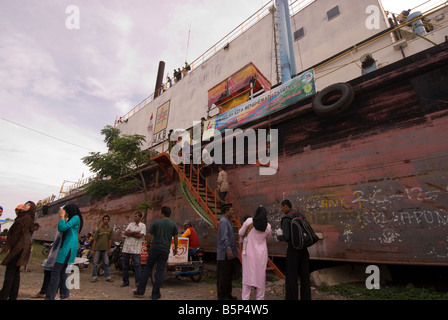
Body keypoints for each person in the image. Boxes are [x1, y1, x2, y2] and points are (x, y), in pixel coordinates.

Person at [134, 206, 178, 300]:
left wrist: (148, 245)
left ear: (162, 213)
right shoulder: (173, 224)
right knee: (160, 272)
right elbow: (176, 237)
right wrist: (176, 248)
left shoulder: (157, 222)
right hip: (165, 250)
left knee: (147, 269)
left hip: (154, 249)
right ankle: (155, 294)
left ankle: (140, 291)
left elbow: (149, 235)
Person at [45, 203, 84, 300]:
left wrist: (62, 217)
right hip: (70, 245)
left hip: (68, 246)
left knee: (56, 271)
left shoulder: (75, 217)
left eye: (65, 211)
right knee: (62, 272)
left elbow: (62, 228)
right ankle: (64, 295)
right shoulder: (75, 218)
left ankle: (50, 297)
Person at [0, 201, 36, 300]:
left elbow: (16, 234)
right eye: (26, 203)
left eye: (28, 205)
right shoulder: (28, 218)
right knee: (15, 272)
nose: (25, 205)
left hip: (18, 247)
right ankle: (12, 295)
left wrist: (6, 247)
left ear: (31, 208)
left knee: (10, 272)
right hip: (23, 246)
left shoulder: (23, 219)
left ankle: (3, 295)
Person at [277, 199, 311, 300]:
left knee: (292, 277)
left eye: (282, 207)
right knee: (305, 277)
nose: (282, 210)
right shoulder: (301, 216)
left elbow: (287, 237)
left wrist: (280, 237)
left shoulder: (286, 218)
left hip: (293, 250)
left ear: (285, 206)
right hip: (304, 250)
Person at [238, 206, 271, 300]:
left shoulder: (248, 221)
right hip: (261, 255)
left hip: (249, 254)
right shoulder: (268, 226)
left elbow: (240, 233)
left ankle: (245, 299)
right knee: (260, 278)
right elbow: (268, 237)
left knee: (247, 277)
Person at [216, 203, 238, 300]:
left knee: (228, 276)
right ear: (227, 211)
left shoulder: (228, 221)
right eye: (231, 210)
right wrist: (228, 249)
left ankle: (228, 295)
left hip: (229, 254)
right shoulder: (223, 222)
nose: (233, 211)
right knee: (223, 276)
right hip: (224, 254)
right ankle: (221, 296)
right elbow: (224, 237)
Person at [31, 231, 63, 299]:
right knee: (48, 269)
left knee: (56, 273)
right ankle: (44, 291)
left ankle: (53, 294)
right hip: (55, 248)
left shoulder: (69, 221)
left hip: (61, 250)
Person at [121, 211, 146, 288]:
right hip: (127, 248)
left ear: (140, 217)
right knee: (125, 265)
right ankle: (125, 281)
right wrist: (135, 233)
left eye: (136, 216)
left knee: (137, 266)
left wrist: (130, 233)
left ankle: (138, 282)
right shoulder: (130, 224)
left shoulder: (143, 226)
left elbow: (141, 235)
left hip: (136, 249)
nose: (134, 217)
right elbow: (125, 233)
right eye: (134, 216)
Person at [91, 215, 113, 282]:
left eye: (107, 219)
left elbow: (110, 240)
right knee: (95, 263)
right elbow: (94, 240)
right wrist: (93, 250)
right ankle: (94, 277)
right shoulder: (99, 229)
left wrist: (109, 249)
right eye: (104, 219)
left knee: (106, 263)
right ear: (102, 220)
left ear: (109, 221)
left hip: (105, 249)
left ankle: (108, 277)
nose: (106, 220)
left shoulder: (110, 230)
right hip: (97, 248)